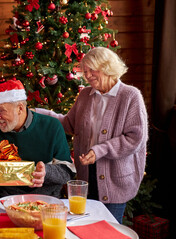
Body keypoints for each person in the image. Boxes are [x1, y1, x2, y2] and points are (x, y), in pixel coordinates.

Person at [35, 47, 148, 223]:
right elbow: (69, 124)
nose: (87, 75)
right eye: (85, 71)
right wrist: (38, 114)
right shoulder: (85, 95)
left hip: (115, 178)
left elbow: (135, 138)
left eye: (91, 70)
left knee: (108, 231)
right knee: (87, 227)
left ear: (107, 67)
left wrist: (99, 151)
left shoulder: (130, 96)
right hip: (87, 175)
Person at [0, 80, 75, 198]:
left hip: (45, 200)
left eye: (1, 110)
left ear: (20, 109)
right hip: (4, 200)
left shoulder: (51, 126)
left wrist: (45, 172)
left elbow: (67, 172)